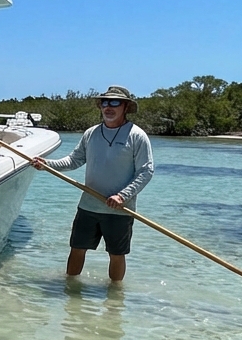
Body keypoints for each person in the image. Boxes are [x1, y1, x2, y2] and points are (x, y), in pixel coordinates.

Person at [34, 85, 154, 282]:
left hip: (119, 210)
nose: (108, 107)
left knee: (116, 254)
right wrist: (48, 165)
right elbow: (74, 161)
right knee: (77, 248)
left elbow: (146, 171)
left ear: (125, 107)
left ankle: (114, 301)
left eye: (114, 102)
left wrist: (123, 195)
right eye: (105, 102)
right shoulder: (91, 133)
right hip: (88, 206)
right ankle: (70, 291)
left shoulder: (137, 136)